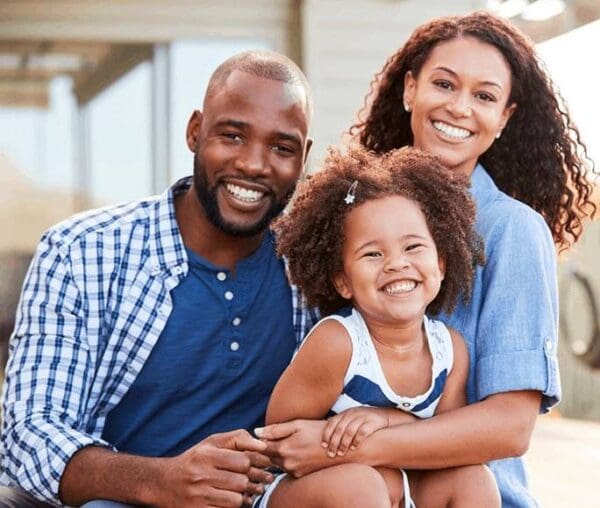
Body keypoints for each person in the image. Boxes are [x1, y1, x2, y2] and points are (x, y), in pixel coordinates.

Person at [255, 11, 597, 508]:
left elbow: (510, 426)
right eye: (444, 84)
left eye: (484, 96)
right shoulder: (354, 210)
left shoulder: (511, 231)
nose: (460, 108)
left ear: (504, 118)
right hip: (351, 489)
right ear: (410, 89)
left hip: (463, 491)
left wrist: (350, 444)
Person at [0, 50, 317, 507]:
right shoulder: (81, 252)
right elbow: (29, 434)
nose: (253, 164)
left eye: (281, 147)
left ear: (304, 157)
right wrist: (163, 482)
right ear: (194, 132)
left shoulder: (315, 266)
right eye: (232, 136)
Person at [253, 146, 500, 508]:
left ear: (442, 263)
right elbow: (280, 442)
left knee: (474, 479)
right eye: (373, 254)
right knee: (362, 485)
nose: (396, 264)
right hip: (309, 492)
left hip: (398, 485)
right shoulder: (339, 343)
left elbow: (446, 445)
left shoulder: (450, 351)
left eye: (413, 247)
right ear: (343, 281)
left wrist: (386, 419)